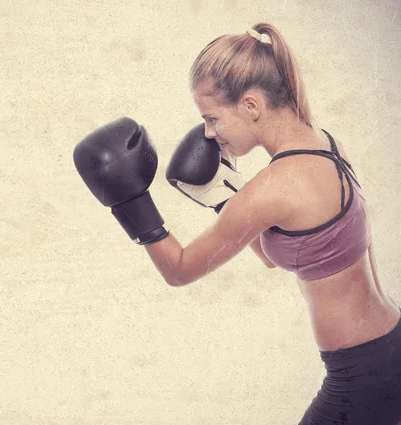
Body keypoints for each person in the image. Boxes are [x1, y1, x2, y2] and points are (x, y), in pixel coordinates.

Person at [73, 23, 401, 425]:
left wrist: (130, 201)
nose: (209, 133)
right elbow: (274, 253)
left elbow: (179, 270)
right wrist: (224, 197)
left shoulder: (271, 188)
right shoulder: (325, 143)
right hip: (390, 342)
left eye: (212, 118)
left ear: (250, 106)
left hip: (359, 377)